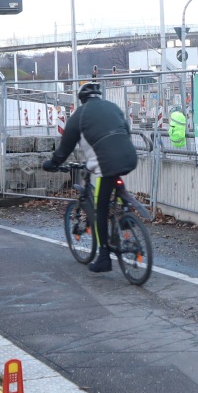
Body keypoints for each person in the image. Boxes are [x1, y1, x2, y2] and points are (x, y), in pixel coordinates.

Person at [43, 82, 138, 273]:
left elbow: (65, 148)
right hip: (129, 156)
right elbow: (126, 130)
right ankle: (125, 216)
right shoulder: (112, 107)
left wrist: (53, 163)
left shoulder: (80, 115)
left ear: (82, 99)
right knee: (116, 184)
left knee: (100, 208)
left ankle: (104, 257)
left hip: (105, 164)